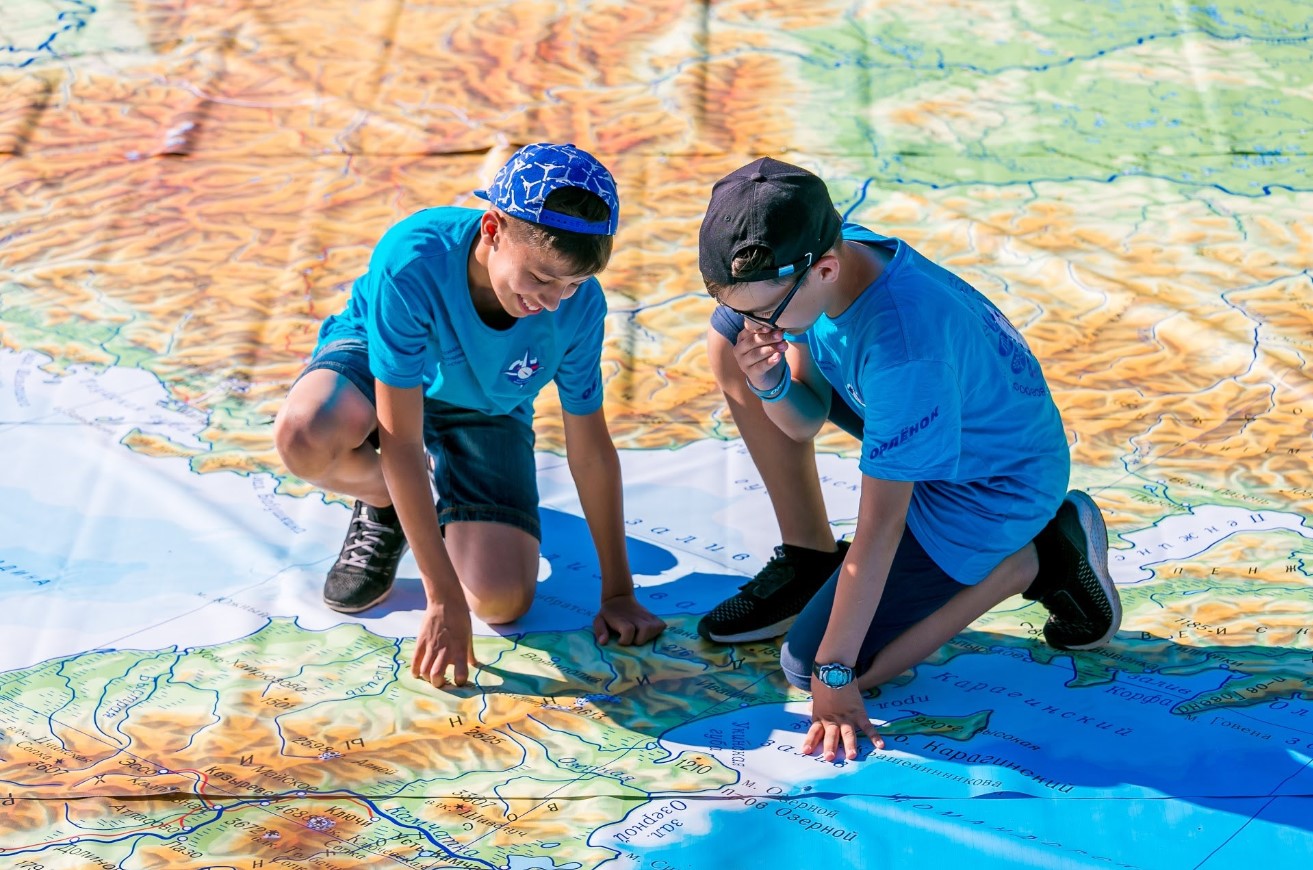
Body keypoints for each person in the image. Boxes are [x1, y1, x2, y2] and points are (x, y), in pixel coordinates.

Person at [695, 157, 1121, 762]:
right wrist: (770, 382)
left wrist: (836, 673)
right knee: (723, 335)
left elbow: (881, 529)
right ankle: (812, 560)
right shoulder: (827, 256)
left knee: (808, 666)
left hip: (992, 488)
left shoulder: (902, 354)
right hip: (945, 431)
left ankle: (1037, 557)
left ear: (824, 269)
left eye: (765, 314)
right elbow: (805, 417)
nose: (755, 325)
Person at [274, 142, 666, 688]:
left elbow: (591, 452)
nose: (554, 301)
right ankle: (386, 500)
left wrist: (619, 592)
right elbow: (400, 440)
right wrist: (442, 598)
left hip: (483, 405)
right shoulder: (414, 258)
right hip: (383, 368)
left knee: (502, 601)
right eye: (541, 278)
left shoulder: (579, 307)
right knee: (305, 433)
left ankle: (419, 503)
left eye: (573, 283)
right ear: (492, 229)